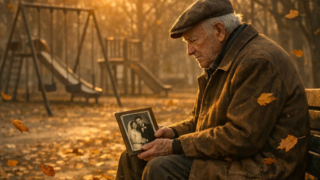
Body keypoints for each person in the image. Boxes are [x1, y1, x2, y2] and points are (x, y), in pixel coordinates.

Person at [116, 0, 310, 179]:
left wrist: (175, 146)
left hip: (265, 169)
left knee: (161, 167)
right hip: (238, 160)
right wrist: (173, 133)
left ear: (219, 31)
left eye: (193, 40)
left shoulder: (257, 62)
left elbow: (242, 138)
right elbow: (201, 122)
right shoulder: (224, 61)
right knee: (133, 157)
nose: (189, 51)